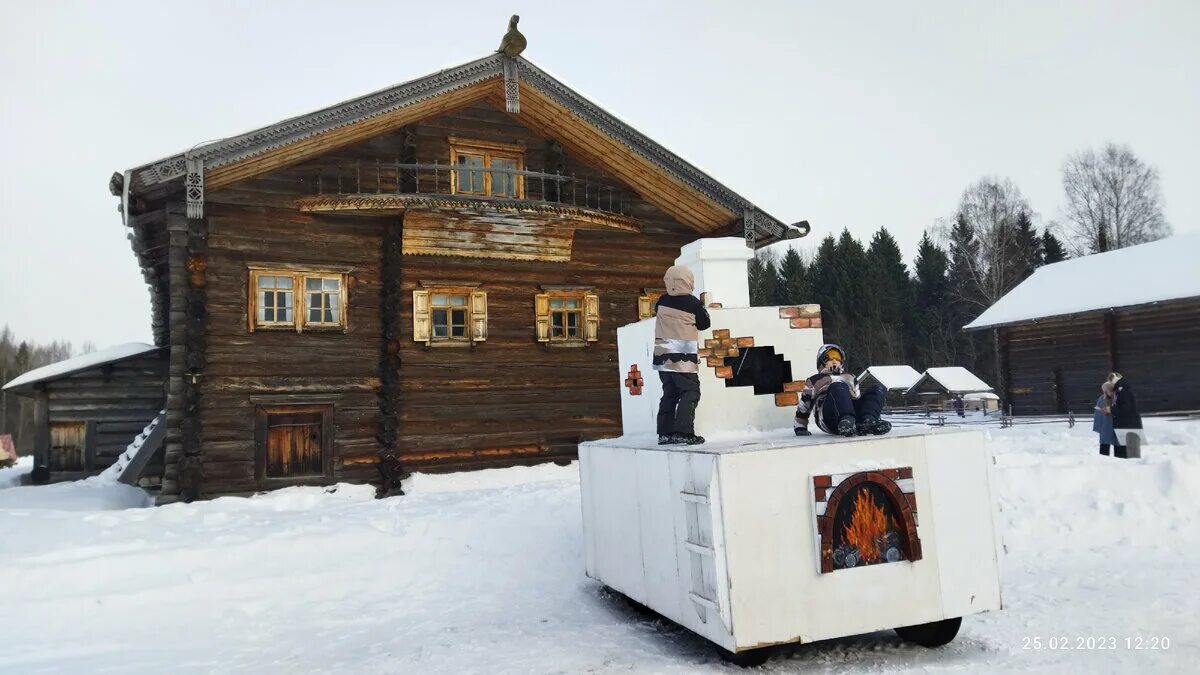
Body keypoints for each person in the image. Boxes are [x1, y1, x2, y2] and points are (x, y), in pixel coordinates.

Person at [652, 265, 711, 445]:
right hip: (682, 354)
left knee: (669, 392)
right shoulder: (693, 303)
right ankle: (683, 432)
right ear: (687, 281)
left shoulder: (661, 301)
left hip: (662, 354)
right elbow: (705, 324)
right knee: (690, 390)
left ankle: (665, 433)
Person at [794, 344, 890, 437]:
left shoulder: (850, 377)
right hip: (828, 417)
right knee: (838, 386)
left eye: (838, 359)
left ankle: (868, 421)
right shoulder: (815, 380)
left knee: (878, 389)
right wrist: (800, 427)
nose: (834, 361)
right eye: (830, 358)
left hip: (852, 411)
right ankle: (846, 420)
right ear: (822, 361)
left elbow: (857, 398)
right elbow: (804, 405)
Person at [1109, 372, 1143, 459]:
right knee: (1124, 458)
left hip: (1129, 428)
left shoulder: (1124, 391)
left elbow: (1125, 409)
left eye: (1110, 381)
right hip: (1125, 427)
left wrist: (1111, 409)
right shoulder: (1120, 391)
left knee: (1131, 458)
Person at [1093, 381, 1117, 456]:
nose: (1105, 393)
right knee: (1104, 444)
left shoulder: (1117, 398)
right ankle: (1103, 459)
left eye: (1106, 391)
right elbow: (1098, 413)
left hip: (1116, 425)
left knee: (1118, 444)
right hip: (1105, 426)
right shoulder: (1101, 398)